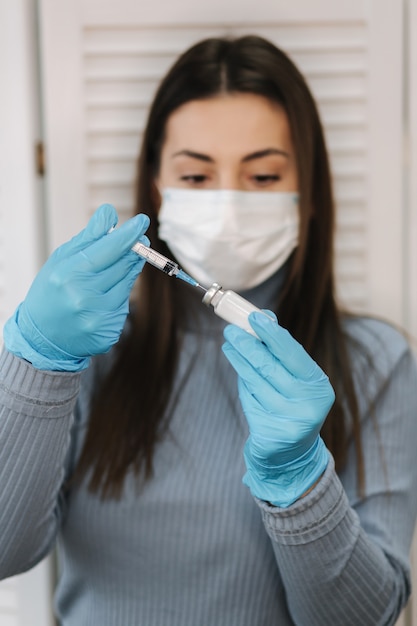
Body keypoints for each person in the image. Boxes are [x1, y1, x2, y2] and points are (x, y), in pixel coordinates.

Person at [0, 35, 416, 626]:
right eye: (196, 177)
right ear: (155, 189)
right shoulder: (90, 349)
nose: (226, 206)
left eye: (264, 176)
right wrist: (36, 364)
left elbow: (365, 617)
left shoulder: (377, 361)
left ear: (310, 196)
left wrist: (300, 482)